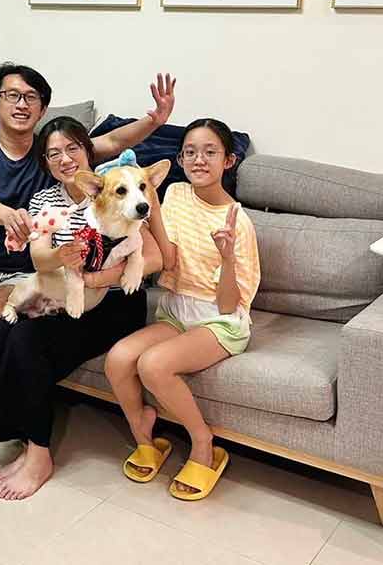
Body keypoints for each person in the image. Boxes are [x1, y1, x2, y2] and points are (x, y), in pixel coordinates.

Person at [0, 64, 176, 447]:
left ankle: (3, 409)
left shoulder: (55, 152)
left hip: (25, 272)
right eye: (12, 95)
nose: (22, 104)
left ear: (42, 109)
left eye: (31, 97)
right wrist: (8, 216)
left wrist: (154, 120)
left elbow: (110, 142)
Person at [0, 117, 164, 500]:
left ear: (88, 152)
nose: (65, 159)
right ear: (46, 162)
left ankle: (39, 455)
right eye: (54, 153)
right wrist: (64, 254)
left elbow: (154, 257)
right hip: (63, 295)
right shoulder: (45, 201)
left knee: (27, 338)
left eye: (73, 148)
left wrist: (100, 278)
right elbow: (40, 260)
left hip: (116, 302)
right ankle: (18, 436)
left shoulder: (119, 186)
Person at [104, 118, 260, 500]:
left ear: (229, 160)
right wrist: (153, 205)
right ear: (180, 159)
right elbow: (169, 259)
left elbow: (230, 304)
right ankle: (144, 435)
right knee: (118, 358)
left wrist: (227, 257)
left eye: (210, 152)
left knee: (153, 365)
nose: (198, 160)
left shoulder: (238, 221)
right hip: (176, 311)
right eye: (190, 152)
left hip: (221, 321)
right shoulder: (174, 193)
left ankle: (204, 444)